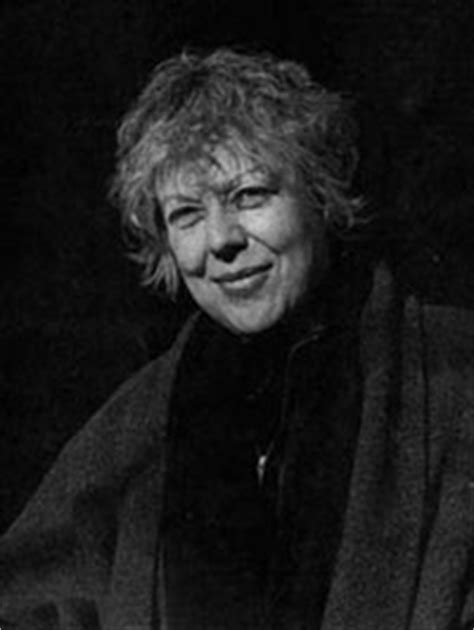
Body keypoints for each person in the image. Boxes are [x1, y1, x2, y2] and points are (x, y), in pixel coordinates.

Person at [0, 48, 472, 630]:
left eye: (249, 195)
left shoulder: (454, 373)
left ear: (321, 193)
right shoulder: (140, 420)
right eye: (186, 215)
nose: (221, 239)